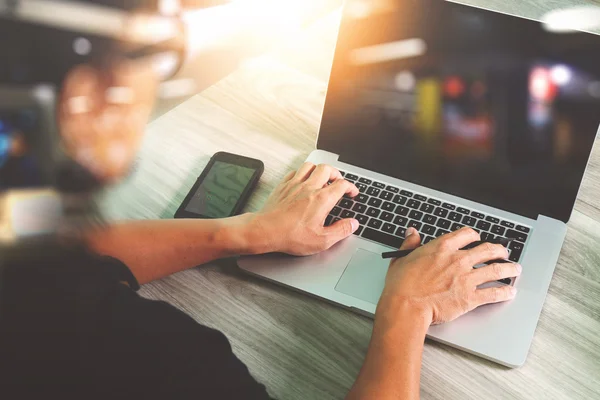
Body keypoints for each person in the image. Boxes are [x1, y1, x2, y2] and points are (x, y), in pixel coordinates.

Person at [0, 9, 521, 400]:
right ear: (90, 98)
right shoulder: (155, 358)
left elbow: (70, 260)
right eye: (154, 53)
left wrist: (246, 232)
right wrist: (410, 309)